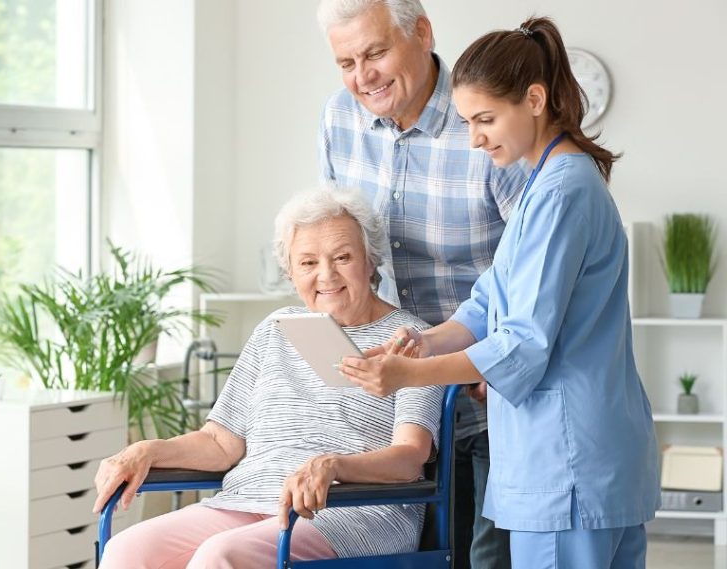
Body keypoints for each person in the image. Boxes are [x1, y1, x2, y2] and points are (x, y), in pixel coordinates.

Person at [338, 16, 660, 569]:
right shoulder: (547, 186)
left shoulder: (562, 193)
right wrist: (421, 342)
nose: (476, 138)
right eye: (466, 122)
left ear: (534, 100)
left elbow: (522, 344)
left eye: (485, 119)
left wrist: (407, 377)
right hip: (587, 460)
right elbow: (489, 301)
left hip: (567, 464)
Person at [93, 188, 444, 568]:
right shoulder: (276, 330)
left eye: (342, 257)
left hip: (351, 510)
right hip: (247, 501)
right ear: (290, 272)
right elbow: (220, 442)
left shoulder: (412, 340)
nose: (326, 275)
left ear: (370, 261)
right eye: (307, 263)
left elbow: (410, 458)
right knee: (126, 551)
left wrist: (335, 466)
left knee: (220, 556)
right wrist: (146, 450)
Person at [316, 1, 529, 566]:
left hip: (488, 392)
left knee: (485, 556)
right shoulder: (340, 120)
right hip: (395, 404)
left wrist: (493, 361)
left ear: (424, 34)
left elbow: (531, 265)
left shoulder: (482, 120)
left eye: (376, 52)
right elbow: (346, 249)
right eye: (346, 62)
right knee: (416, 553)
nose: (363, 77)